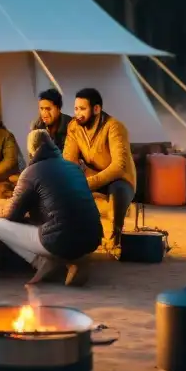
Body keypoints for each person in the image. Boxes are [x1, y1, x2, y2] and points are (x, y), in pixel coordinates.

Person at [0, 129, 103, 286]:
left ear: (32, 149)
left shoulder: (30, 172)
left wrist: (8, 208)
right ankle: (76, 258)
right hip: (93, 238)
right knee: (57, 221)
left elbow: (12, 216)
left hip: (60, 240)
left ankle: (43, 262)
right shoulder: (73, 167)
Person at [63, 87, 136, 251]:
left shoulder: (114, 127)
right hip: (90, 179)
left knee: (117, 191)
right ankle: (83, 238)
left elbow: (119, 166)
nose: (77, 113)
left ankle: (115, 240)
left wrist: (88, 183)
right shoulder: (74, 127)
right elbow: (69, 160)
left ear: (96, 109)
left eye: (82, 109)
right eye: (75, 108)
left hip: (119, 179)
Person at [30, 87, 73, 152]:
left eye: (48, 109)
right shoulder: (37, 126)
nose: (44, 113)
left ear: (58, 109)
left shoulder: (71, 125)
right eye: (41, 109)